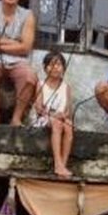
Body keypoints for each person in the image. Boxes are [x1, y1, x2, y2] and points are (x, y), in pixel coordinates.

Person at [30, 51, 74, 179]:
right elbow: (38, 108)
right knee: (57, 123)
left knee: (69, 125)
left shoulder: (66, 87)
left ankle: (63, 164)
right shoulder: (41, 84)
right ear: (45, 68)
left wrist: (63, 115)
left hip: (61, 118)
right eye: (50, 65)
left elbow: (68, 111)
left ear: (63, 68)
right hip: (43, 119)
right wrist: (53, 115)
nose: (54, 67)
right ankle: (57, 163)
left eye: (58, 64)